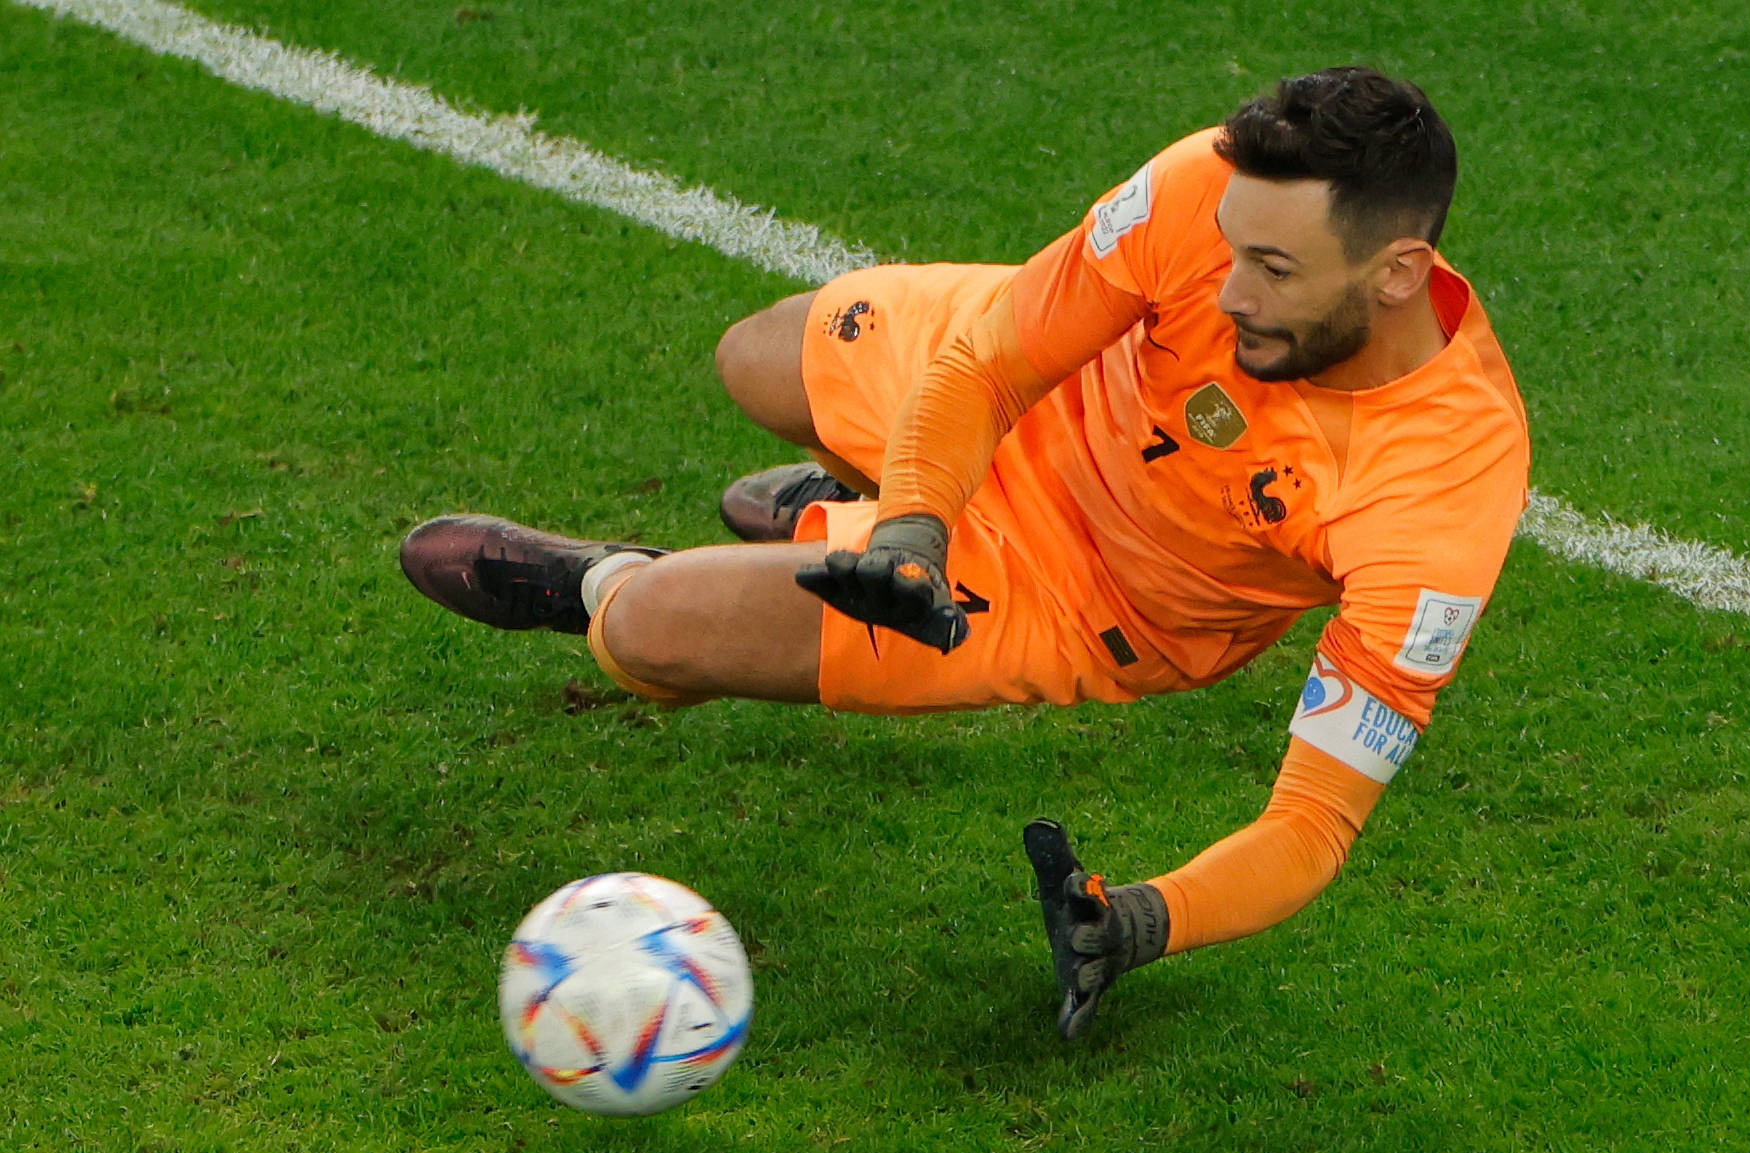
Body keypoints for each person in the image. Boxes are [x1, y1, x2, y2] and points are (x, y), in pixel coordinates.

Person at [401, 66, 1530, 1041]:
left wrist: (1142, 916)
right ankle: (861, 513)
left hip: (1080, 595)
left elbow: (1311, 824)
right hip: (1042, 401)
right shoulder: (1216, 189)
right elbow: (990, 365)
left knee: (647, 628)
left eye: (1272, 273)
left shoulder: (1437, 500)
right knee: (754, 357)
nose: (1228, 288)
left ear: (1395, 273)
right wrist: (911, 533)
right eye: (1231, 250)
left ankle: (598, 574)